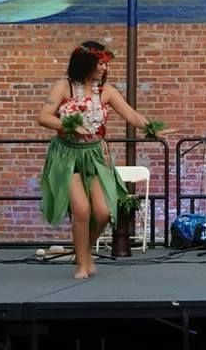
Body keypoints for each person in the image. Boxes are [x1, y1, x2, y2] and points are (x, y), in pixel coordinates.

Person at [37, 41, 166, 279]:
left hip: (95, 155)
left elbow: (131, 114)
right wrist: (69, 127)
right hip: (67, 155)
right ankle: (82, 265)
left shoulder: (107, 92)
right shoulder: (63, 87)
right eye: (100, 63)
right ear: (85, 64)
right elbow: (44, 117)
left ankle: (83, 251)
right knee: (82, 210)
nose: (104, 68)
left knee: (104, 212)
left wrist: (153, 129)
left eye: (106, 64)